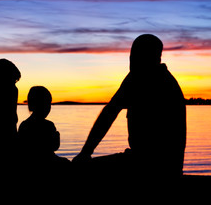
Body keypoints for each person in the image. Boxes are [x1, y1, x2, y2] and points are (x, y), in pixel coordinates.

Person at [73, 34, 186, 177]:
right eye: (131, 56)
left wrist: (85, 153)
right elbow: (110, 112)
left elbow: (110, 112)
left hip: (157, 166)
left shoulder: (162, 83)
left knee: (82, 170)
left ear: (154, 58)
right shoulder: (137, 77)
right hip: (139, 159)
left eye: (137, 56)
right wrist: (86, 152)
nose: (132, 61)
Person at [18, 86, 70, 167]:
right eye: (47, 103)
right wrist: (57, 137)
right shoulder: (48, 125)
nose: (49, 107)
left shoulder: (24, 125)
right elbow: (53, 147)